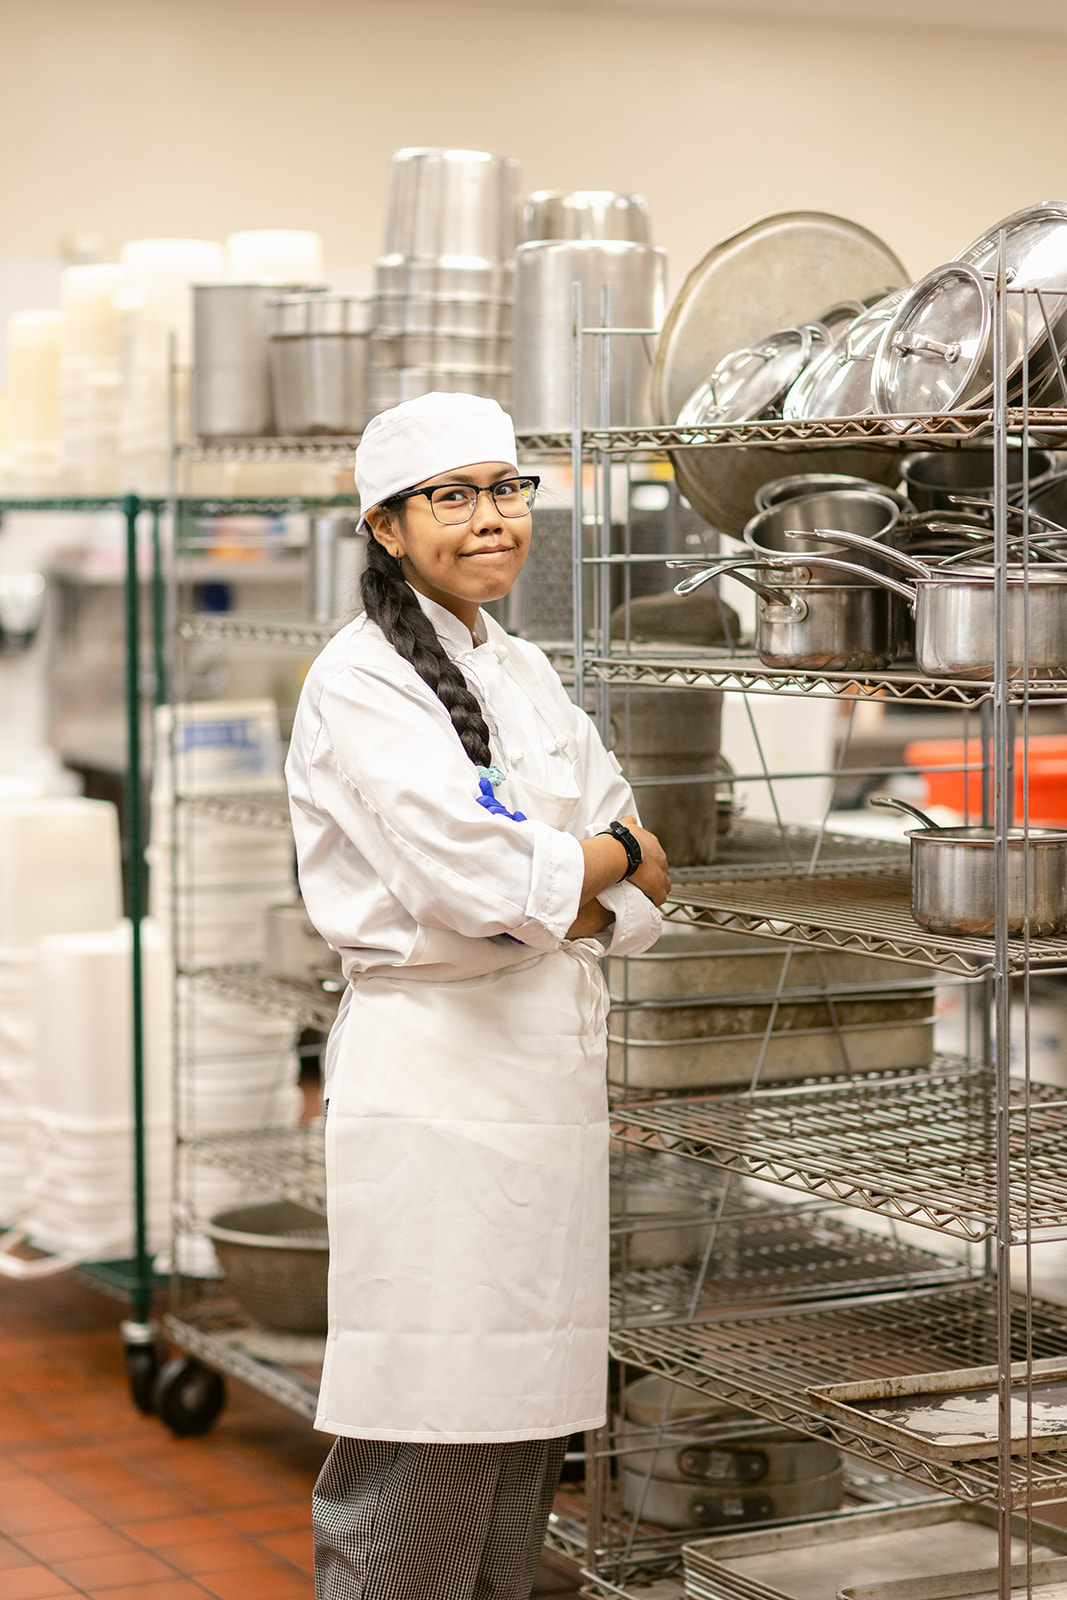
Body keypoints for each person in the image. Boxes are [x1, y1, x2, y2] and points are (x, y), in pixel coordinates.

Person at [285, 390, 670, 1600]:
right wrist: (580, 871)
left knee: (517, 1445)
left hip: (538, 1096)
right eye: (450, 496)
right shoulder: (360, 682)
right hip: (437, 1100)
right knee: (420, 1450)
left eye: (505, 488)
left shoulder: (522, 669)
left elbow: (641, 866)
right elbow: (482, 884)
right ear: (385, 526)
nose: (491, 517)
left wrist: (572, 879)